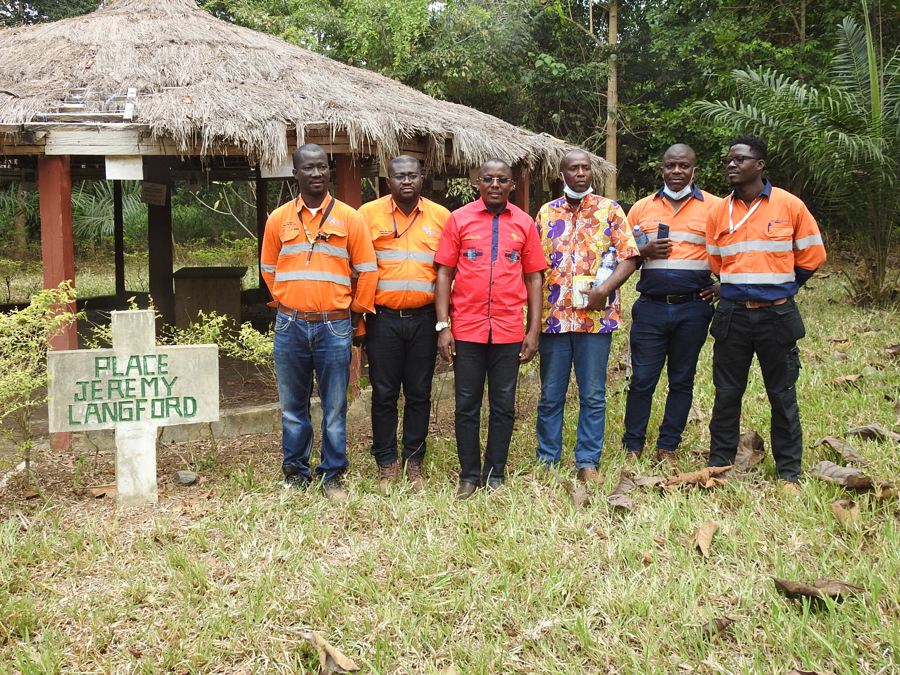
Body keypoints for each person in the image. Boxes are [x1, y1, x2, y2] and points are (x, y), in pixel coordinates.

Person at [705, 135, 826, 493]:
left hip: (777, 316)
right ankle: (719, 463)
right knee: (727, 392)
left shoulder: (789, 206)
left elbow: (812, 256)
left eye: (739, 159)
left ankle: (789, 471)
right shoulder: (718, 212)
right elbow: (716, 262)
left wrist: (781, 288)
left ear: (759, 165)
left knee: (782, 394)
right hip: (732, 316)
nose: (731, 165)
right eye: (728, 159)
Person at [260, 144, 378, 500]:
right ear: (294, 173)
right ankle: (296, 472)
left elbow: (367, 272)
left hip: (334, 325)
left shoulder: (350, 218)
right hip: (290, 325)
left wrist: (352, 314)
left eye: (322, 168)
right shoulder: (278, 219)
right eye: (308, 168)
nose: (316, 174)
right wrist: (288, 299)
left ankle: (332, 474)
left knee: (334, 405)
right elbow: (268, 269)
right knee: (293, 405)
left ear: (330, 173)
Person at [434, 159, 545, 499]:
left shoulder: (524, 223)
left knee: (503, 405)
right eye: (488, 179)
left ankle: (495, 473)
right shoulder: (459, 219)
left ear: (512, 185)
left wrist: (533, 330)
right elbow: (443, 273)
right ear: (477, 183)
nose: (495, 185)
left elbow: (534, 277)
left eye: (502, 180)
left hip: (509, 330)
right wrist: (443, 326)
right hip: (466, 330)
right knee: (466, 404)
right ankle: (469, 474)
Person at [535, 149, 640, 483]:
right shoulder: (546, 213)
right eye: (573, 168)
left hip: (595, 319)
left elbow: (629, 257)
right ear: (561, 174)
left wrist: (604, 289)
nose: (580, 173)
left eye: (585, 168)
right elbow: (534, 266)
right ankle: (547, 460)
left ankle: (587, 462)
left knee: (592, 394)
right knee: (551, 393)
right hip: (554, 319)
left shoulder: (610, 210)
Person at [622, 144, 721, 472]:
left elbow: (735, 252)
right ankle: (632, 444)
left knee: (682, 379)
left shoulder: (716, 208)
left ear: (695, 169)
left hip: (693, 309)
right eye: (670, 166)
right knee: (642, 379)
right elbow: (624, 255)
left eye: (683, 165)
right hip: (650, 308)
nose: (676, 171)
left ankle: (668, 445)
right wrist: (644, 250)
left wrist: (724, 286)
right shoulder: (641, 209)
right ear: (661, 168)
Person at [358, 156, 450, 494]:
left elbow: (447, 272)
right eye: (399, 176)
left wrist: (444, 324)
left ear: (422, 177)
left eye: (412, 175)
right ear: (388, 180)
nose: (406, 181)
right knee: (383, 394)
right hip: (383, 320)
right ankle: (386, 462)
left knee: (419, 392)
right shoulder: (367, 215)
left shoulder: (441, 217)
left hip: (424, 319)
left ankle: (414, 460)